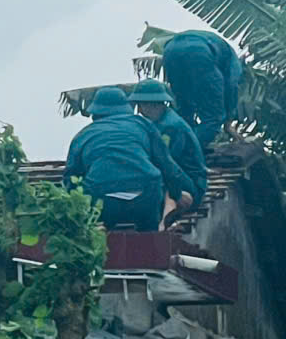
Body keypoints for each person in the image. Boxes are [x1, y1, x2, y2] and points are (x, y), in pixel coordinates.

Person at [63, 86, 194, 231]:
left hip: (101, 198)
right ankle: (154, 233)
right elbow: (167, 166)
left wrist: (77, 214)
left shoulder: (82, 136)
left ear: (95, 113)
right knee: (150, 232)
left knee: (98, 225)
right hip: (145, 194)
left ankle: (99, 229)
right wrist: (176, 194)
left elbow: (70, 179)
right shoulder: (143, 125)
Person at [129, 77, 208, 208]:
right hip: (179, 179)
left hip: (190, 184)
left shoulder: (170, 127)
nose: (142, 111)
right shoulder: (160, 123)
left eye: (143, 105)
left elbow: (165, 164)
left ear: (154, 105)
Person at [162, 30, 243, 150]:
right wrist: (228, 122)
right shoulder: (234, 62)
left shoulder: (222, 50)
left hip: (170, 50)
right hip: (200, 51)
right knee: (214, 118)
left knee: (184, 112)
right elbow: (232, 86)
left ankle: (171, 148)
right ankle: (187, 154)